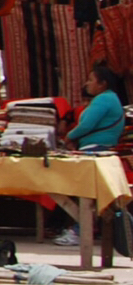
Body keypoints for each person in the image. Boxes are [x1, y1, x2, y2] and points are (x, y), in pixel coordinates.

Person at [54, 64, 126, 246]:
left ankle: (80, 230)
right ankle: (80, 228)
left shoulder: (104, 100)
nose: (87, 83)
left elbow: (87, 125)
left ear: (102, 83)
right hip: (100, 148)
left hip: (95, 149)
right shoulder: (111, 99)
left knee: (82, 191)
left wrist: (68, 138)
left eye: (91, 79)